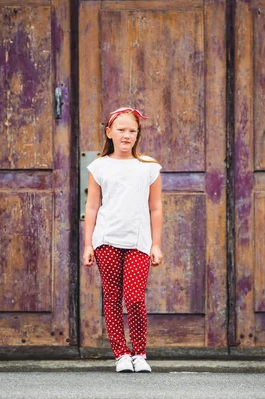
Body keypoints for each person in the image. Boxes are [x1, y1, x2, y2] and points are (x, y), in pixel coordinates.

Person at [82, 107, 163, 373]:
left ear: (138, 135)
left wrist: (156, 244)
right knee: (113, 298)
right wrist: (88, 244)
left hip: (138, 242)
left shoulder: (149, 168)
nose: (126, 135)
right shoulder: (99, 167)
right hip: (106, 241)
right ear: (109, 133)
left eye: (132, 131)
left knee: (135, 297)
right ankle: (121, 354)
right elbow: (92, 207)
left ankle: (139, 352)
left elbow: (156, 208)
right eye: (121, 130)